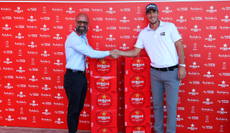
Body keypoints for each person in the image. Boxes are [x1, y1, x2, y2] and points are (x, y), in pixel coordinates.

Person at [115, 3, 186, 133]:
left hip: (172, 72)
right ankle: (158, 131)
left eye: (154, 12)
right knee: (157, 106)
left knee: (171, 106)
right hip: (155, 74)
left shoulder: (170, 27)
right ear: (146, 15)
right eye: (149, 13)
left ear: (158, 13)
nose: (151, 15)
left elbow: (180, 45)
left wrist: (182, 66)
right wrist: (119, 52)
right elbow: (135, 52)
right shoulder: (143, 33)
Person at [63, 13, 118, 133]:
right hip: (73, 77)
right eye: (80, 22)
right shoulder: (73, 38)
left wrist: (106, 54)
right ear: (75, 23)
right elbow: (91, 53)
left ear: (88, 25)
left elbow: (91, 51)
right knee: (73, 109)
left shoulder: (83, 37)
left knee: (79, 107)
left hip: (81, 77)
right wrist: (109, 52)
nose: (82, 25)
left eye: (85, 23)